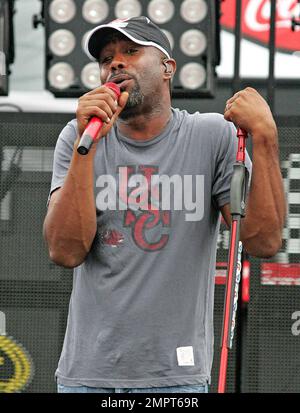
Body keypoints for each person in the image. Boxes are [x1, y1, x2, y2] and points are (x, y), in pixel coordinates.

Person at [43, 16, 286, 393]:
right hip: (88, 376)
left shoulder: (211, 136)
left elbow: (265, 242)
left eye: (131, 51)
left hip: (177, 377)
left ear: (168, 68)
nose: (116, 63)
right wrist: (83, 147)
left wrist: (267, 139)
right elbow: (64, 250)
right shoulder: (79, 138)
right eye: (107, 58)